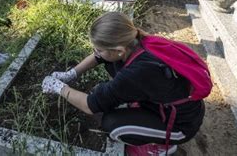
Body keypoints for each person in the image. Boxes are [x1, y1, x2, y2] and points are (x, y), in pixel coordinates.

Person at [41, 12, 206, 155]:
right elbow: (99, 57)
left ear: (119, 50)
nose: (96, 52)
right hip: (165, 104)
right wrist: (71, 73)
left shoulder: (137, 72)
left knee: (112, 126)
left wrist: (59, 87)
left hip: (180, 125)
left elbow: (89, 105)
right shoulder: (135, 40)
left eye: (99, 49)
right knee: (107, 80)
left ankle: (163, 147)